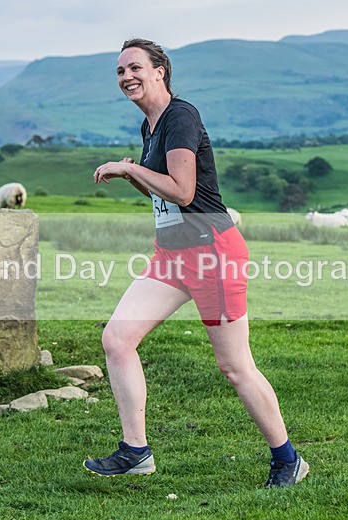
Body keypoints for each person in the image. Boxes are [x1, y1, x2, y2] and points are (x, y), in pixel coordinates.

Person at [84, 38, 308, 488]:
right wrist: (136, 176)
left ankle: (288, 459)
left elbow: (184, 192)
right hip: (171, 254)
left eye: (135, 67)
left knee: (235, 366)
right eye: (120, 71)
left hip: (211, 253)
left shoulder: (180, 117)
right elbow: (165, 194)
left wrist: (129, 170)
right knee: (117, 339)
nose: (126, 76)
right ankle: (136, 452)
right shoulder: (152, 126)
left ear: (160, 71)